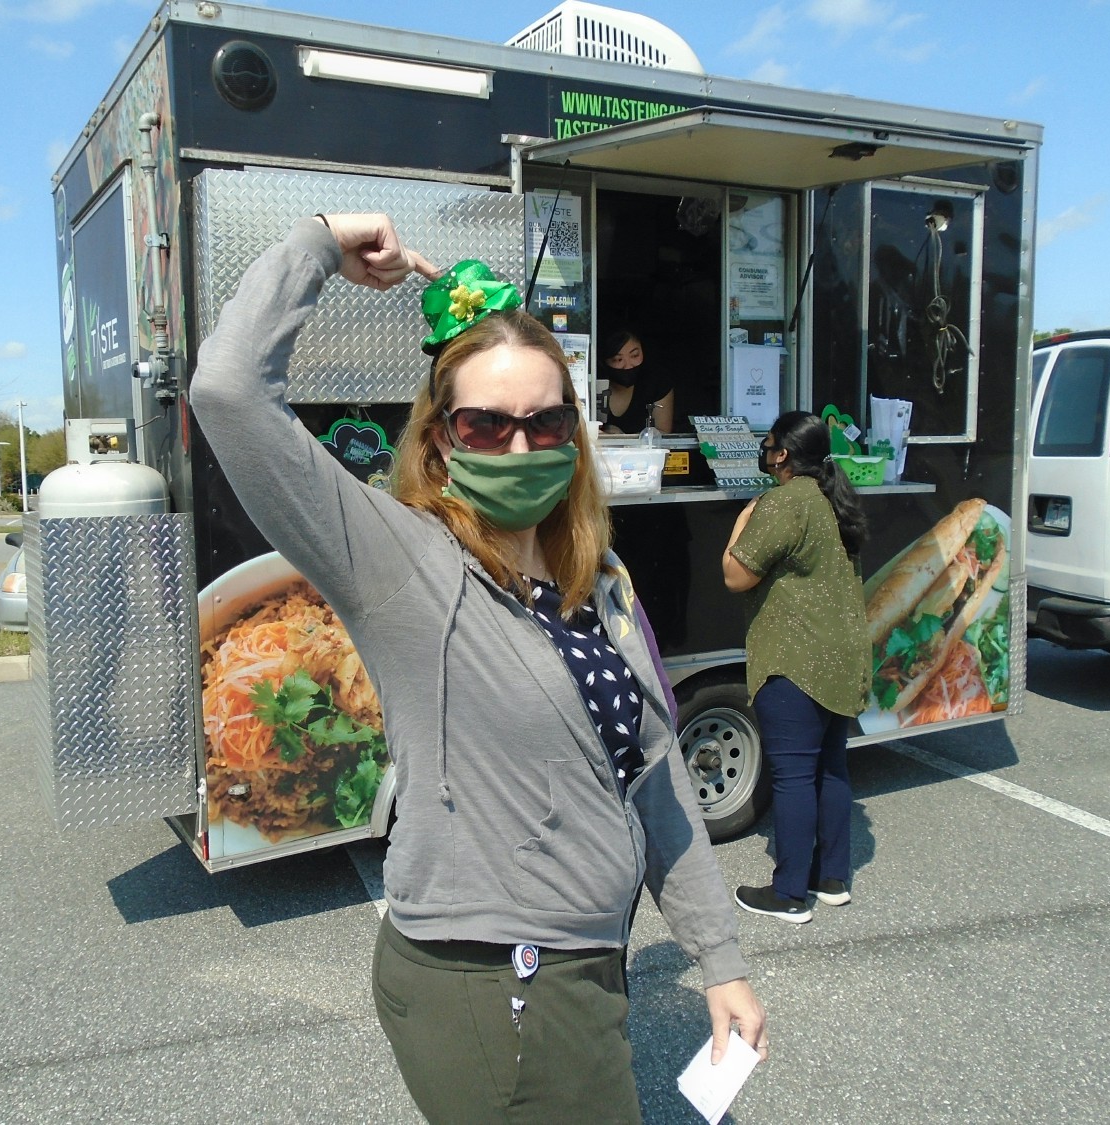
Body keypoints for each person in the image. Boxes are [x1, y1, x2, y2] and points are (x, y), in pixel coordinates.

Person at [191, 213, 765, 1122]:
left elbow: (654, 774)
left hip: (586, 963)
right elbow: (226, 391)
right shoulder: (400, 562)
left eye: (543, 422)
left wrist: (718, 956)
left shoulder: (599, 576)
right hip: (491, 982)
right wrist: (319, 247)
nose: (519, 445)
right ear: (438, 439)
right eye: (484, 424)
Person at [722, 411, 872, 924]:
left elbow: (735, 575)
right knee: (831, 769)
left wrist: (742, 522)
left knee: (791, 777)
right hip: (842, 657)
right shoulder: (835, 498)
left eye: (768, 445)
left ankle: (788, 893)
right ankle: (830, 879)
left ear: (782, 453)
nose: (764, 452)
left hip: (796, 662)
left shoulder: (786, 502)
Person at [600, 328, 675, 434]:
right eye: (618, 359)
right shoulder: (589, 385)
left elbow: (662, 433)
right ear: (604, 361)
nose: (628, 365)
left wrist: (625, 441)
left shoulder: (656, 382)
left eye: (634, 355)